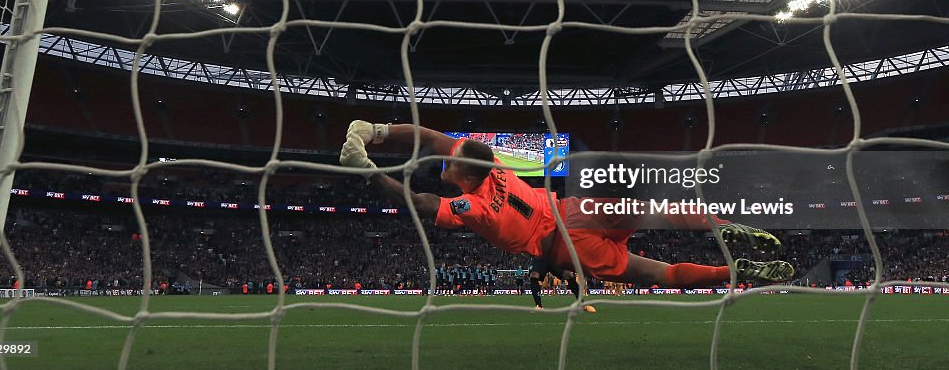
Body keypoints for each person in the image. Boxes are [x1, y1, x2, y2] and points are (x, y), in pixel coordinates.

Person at [339, 121, 794, 291]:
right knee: (655, 210)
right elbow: (434, 138)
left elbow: (419, 203)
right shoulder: (494, 166)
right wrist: (379, 131)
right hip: (572, 210)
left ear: (467, 178)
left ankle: (739, 274)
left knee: (657, 273)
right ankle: (724, 225)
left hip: (563, 247)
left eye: (449, 164)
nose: (444, 159)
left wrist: (368, 168)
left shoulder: (475, 208)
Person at [528, 257, 596, 313]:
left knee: (568, 274)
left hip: (554, 254)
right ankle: (538, 305)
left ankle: (582, 304)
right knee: (534, 275)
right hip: (540, 255)